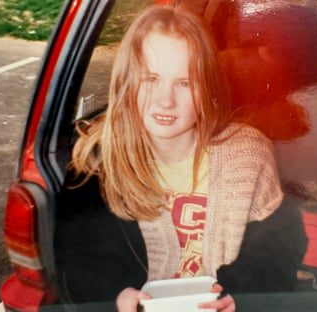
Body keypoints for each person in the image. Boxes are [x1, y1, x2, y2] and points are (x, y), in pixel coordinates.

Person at [68, 4, 304, 311]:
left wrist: (243, 292)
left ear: (206, 88)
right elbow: (79, 259)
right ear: (126, 82)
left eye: (184, 83)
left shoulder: (248, 156)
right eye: (151, 79)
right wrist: (116, 296)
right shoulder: (97, 164)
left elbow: (281, 246)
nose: (165, 101)